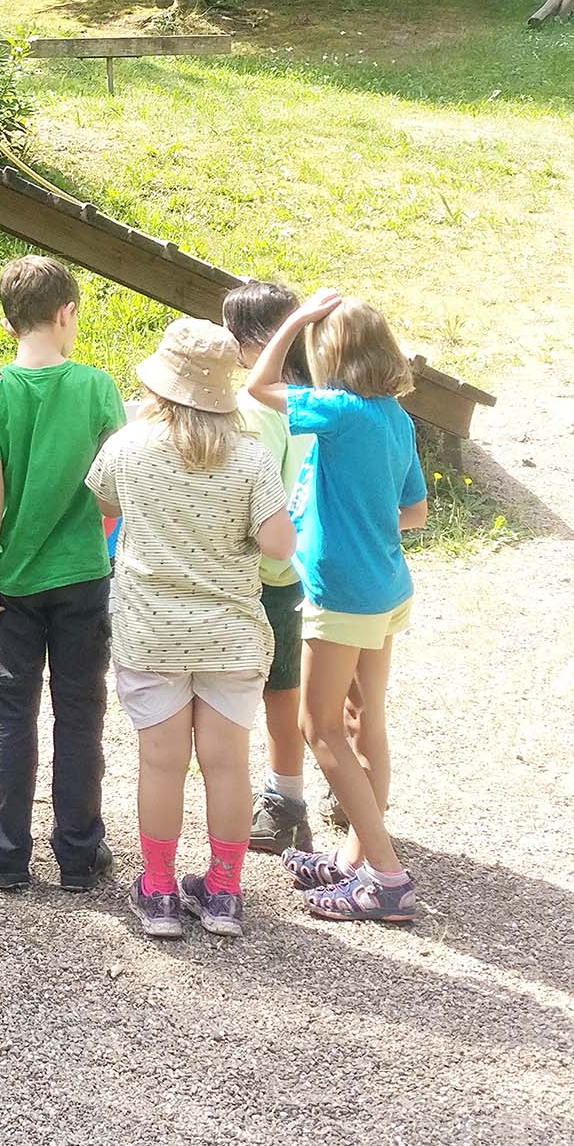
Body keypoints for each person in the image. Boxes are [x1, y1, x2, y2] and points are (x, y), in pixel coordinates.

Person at [88, 320, 295, 940]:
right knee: (227, 763)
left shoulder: (128, 446)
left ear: (159, 384)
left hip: (151, 629)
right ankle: (225, 892)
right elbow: (279, 545)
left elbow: (104, 507)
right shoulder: (250, 455)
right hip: (231, 634)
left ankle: (157, 892)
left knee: (161, 761)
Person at [245, 291, 428, 923]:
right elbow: (415, 512)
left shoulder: (339, 410)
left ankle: (386, 877)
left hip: (340, 590)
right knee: (363, 720)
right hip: (386, 586)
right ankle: (355, 861)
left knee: (317, 726)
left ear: (332, 353)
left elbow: (259, 383)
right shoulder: (395, 417)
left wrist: (293, 321)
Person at [0, 255, 126, 894]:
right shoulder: (97, 388)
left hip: (15, 583)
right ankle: (80, 854)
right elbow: (115, 492)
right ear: (66, 314)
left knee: (10, 711)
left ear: (10, 323)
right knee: (81, 710)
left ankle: (4, 851)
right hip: (85, 573)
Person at [221, 283, 317, 856]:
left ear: (255, 342)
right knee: (308, 689)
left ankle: (283, 803)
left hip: (265, 576)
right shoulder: (325, 397)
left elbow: (257, 500)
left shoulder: (257, 408)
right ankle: (335, 790)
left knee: (270, 692)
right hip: (317, 566)